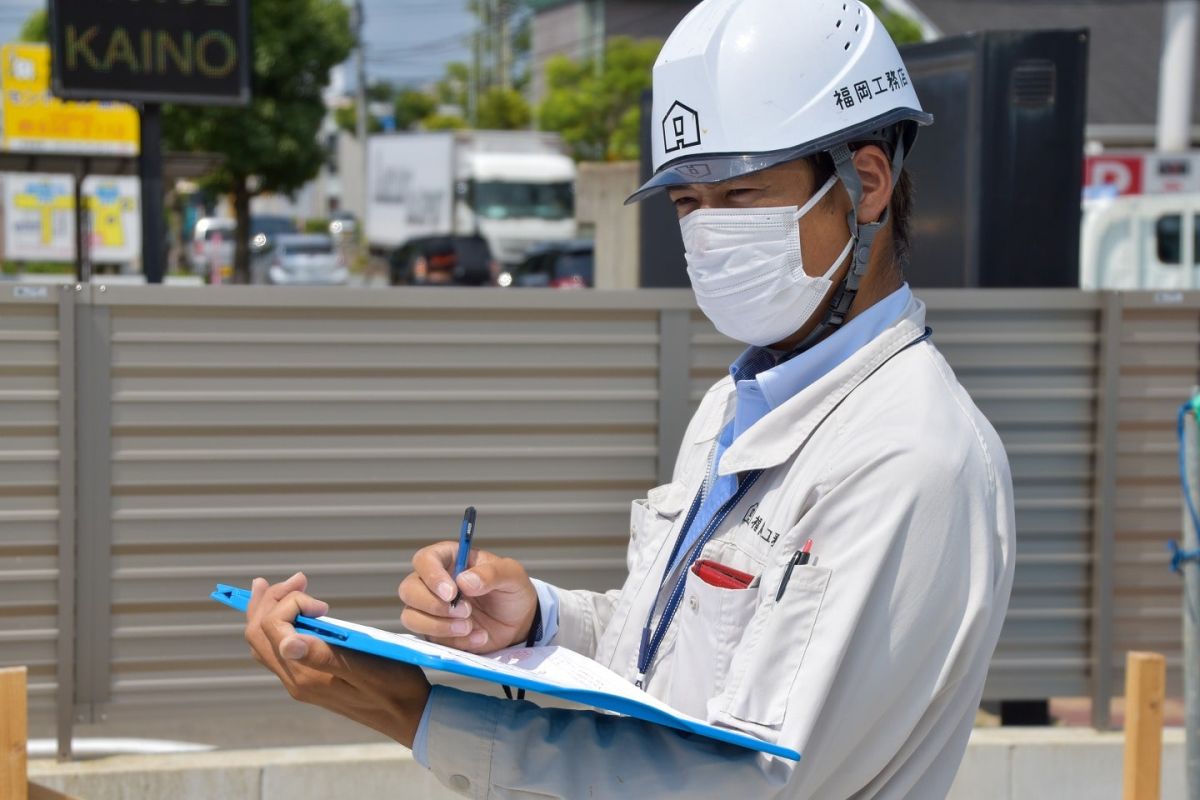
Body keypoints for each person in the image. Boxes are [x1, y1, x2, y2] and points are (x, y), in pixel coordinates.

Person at [243, 0, 1015, 797]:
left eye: (740, 197)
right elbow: (672, 667)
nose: (709, 234)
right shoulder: (738, 402)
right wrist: (537, 617)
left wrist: (416, 714)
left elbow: (750, 780)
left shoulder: (911, 457)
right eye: (687, 203)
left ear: (869, 182)